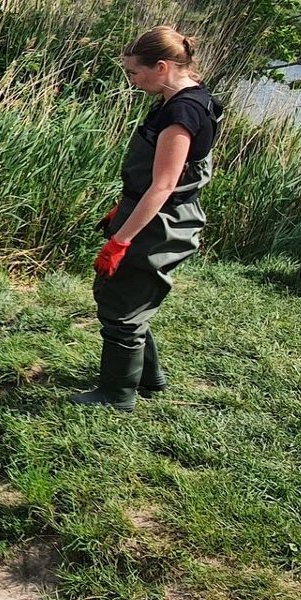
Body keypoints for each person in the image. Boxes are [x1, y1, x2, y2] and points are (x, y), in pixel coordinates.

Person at [73, 26, 223, 411]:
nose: (131, 80)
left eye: (134, 73)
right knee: (134, 300)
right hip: (155, 211)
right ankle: (148, 378)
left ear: (161, 67)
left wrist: (121, 240)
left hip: (162, 223)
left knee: (121, 307)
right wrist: (121, 207)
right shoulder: (190, 95)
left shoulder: (181, 113)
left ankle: (116, 395)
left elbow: (163, 186)